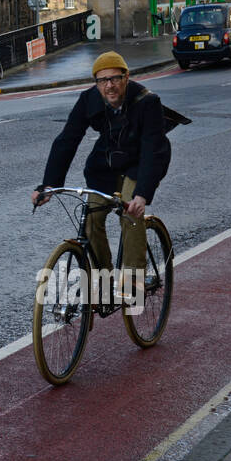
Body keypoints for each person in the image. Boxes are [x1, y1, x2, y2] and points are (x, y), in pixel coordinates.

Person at [31, 51, 172, 299]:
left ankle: (133, 279)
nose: (109, 85)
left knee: (130, 213)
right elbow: (67, 140)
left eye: (115, 78)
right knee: (91, 219)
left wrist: (142, 196)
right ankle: (104, 279)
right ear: (96, 82)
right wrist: (49, 185)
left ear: (126, 77)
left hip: (141, 162)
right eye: (102, 80)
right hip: (106, 165)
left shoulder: (147, 102)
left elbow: (153, 149)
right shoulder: (89, 100)